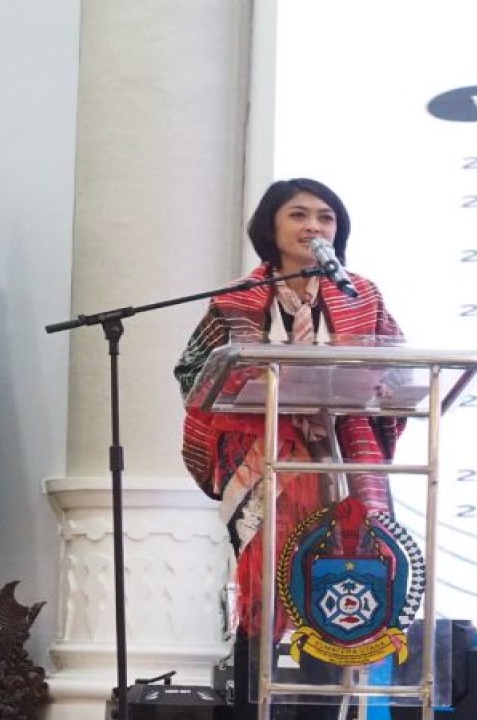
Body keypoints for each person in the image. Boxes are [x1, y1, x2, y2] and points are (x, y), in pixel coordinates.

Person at [174, 178, 405, 719]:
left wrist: (371, 389)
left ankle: (333, 708)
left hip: (342, 462)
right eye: (299, 216)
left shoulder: (361, 295)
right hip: (266, 462)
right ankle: (257, 706)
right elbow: (191, 373)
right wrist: (245, 386)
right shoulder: (235, 299)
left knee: (342, 581)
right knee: (268, 588)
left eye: (326, 218)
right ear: (271, 228)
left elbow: (395, 367)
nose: (314, 227)